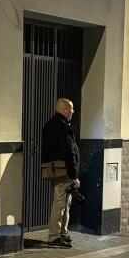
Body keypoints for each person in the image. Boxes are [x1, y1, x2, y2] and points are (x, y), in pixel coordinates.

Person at [41, 98, 80, 248]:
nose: (72, 112)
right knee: (61, 204)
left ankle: (62, 233)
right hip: (64, 172)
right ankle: (55, 236)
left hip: (54, 170)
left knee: (64, 203)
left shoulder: (49, 125)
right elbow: (69, 152)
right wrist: (74, 175)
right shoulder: (63, 126)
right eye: (71, 109)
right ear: (65, 110)